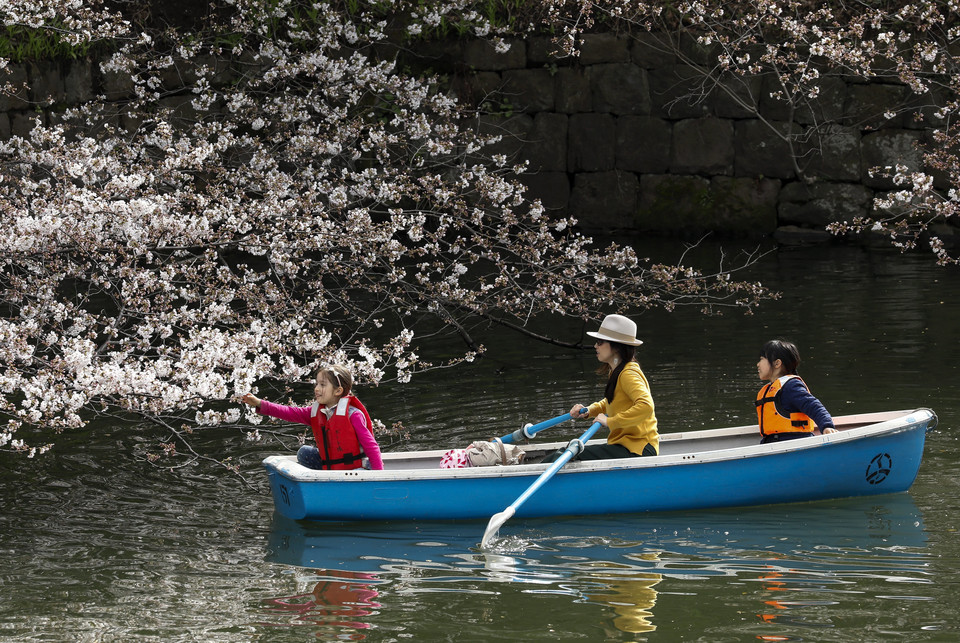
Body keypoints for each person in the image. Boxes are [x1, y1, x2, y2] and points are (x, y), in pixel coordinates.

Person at [544, 314, 660, 463]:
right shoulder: (617, 370)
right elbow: (612, 402)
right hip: (626, 446)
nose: (595, 346)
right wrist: (588, 411)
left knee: (565, 455)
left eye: (600, 342)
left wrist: (610, 421)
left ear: (616, 346)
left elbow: (646, 406)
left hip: (638, 449)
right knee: (566, 451)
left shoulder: (628, 374)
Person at [241, 365, 384, 470]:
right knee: (304, 452)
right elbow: (288, 412)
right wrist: (259, 403)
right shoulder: (316, 412)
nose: (316, 388)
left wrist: (379, 476)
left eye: (322, 385)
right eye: (316, 384)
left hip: (355, 469)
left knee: (364, 469)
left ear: (338, 391)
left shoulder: (353, 415)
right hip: (331, 466)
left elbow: (371, 446)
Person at [755, 339, 837, 444]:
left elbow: (813, 406)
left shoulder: (791, 387)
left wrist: (826, 426)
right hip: (773, 443)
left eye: (762, 359)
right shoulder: (770, 389)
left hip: (795, 442)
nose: (758, 364)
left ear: (777, 363)